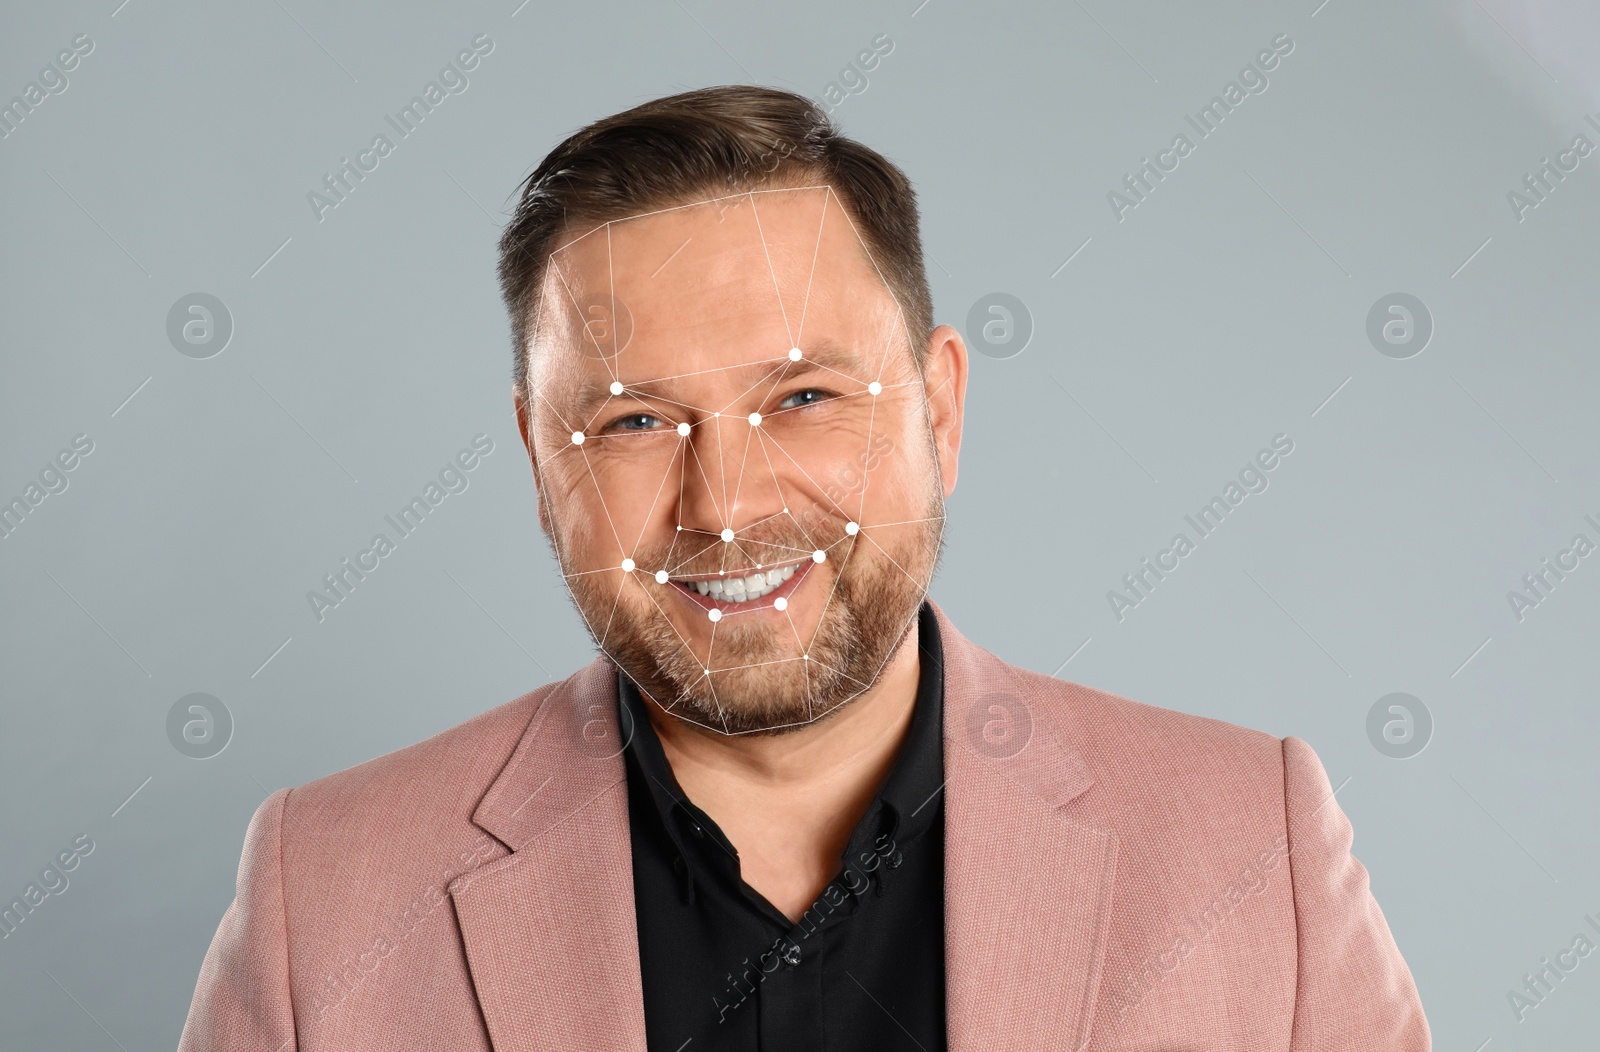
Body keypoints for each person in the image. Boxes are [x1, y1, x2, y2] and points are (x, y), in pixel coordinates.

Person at [178, 85, 1430, 1051]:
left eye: (805, 395)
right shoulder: (324, 898)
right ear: (535, 454)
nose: (725, 506)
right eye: (631, 421)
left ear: (940, 408)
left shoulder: (1250, 848)